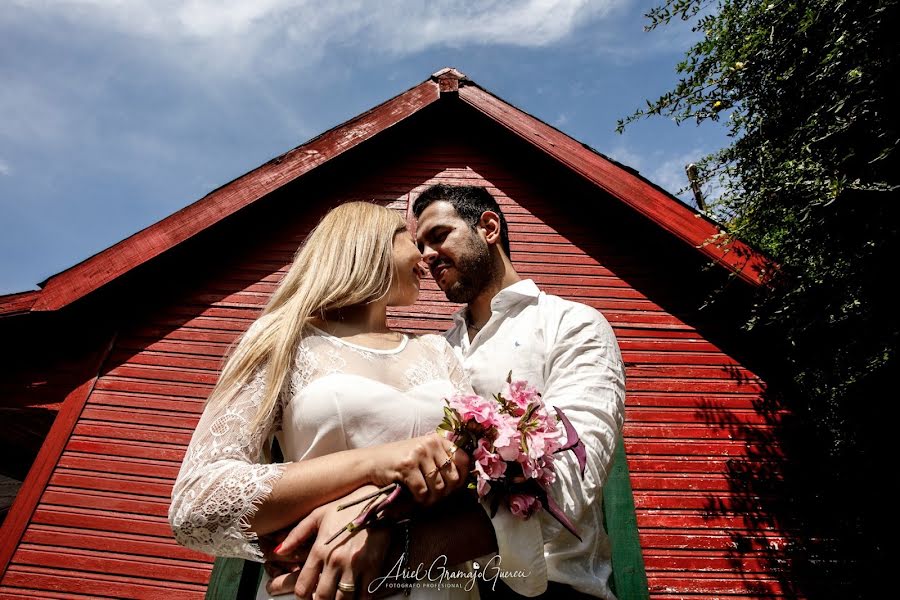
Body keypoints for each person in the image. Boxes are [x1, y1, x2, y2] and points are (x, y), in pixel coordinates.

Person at [168, 202, 492, 600]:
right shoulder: (282, 339)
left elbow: (484, 476)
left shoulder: (438, 350)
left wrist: (374, 511)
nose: (425, 260)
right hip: (320, 586)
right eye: (411, 242)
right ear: (369, 244)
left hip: (438, 582)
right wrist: (376, 464)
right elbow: (198, 501)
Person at [411, 184, 626, 600]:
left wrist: (419, 547)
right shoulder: (435, 351)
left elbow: (572, 476)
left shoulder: (572, 324)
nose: (426, 255)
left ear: (488, 227)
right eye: (420, 245)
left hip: (551, 586)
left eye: (438, 236)